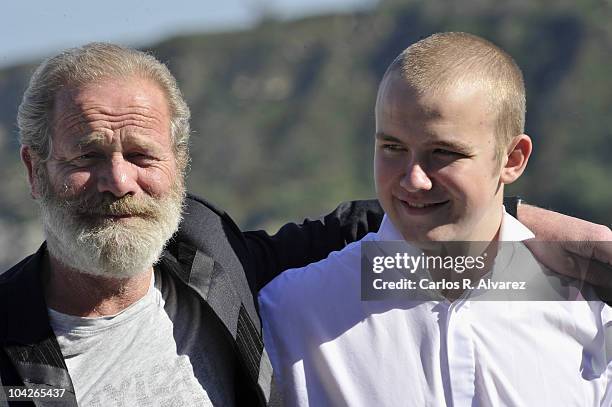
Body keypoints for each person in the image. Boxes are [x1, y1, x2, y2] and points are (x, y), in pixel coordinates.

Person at [0, 42, 609, 406]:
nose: (118, 182)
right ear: (35, 169)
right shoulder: (290, 308)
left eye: (142, 155)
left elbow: (396, 218)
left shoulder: (229, 270)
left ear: (179, 167)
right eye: (85, 157)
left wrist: (573, 246)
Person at [259, 32, 612, 406]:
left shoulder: (591, 313)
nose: (414, 178)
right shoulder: (289, 314)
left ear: (512, 159)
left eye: (443, 152)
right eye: (393, 147)